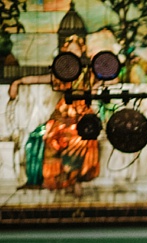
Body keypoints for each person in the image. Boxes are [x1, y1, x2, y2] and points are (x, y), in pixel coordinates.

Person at [7, 34, 100, 195]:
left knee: (81, 139)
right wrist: (18, 82)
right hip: (63, 113)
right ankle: (61, 180)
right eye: (70, 50)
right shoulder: (61, 72)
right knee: (51, 137)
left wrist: (98, 86)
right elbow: (38, 79)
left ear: (81, 51)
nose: (73, 52)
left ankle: (76, 179)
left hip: (83, 116)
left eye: (76, 49)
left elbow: (109, 77)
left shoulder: (88, 73)